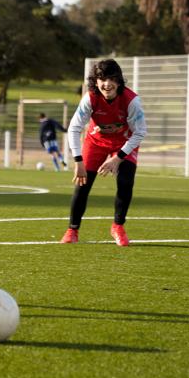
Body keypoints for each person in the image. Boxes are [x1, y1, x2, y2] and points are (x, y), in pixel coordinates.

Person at [60, 59, 147, 246]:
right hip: (95, 142)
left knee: (125, 181)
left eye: (112, 79)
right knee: (82, 184)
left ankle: (118, 226)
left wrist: (118, 158)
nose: (107, 84)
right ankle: (72, 230)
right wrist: (78, 161)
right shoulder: (90, 98)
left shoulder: (132, 101)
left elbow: (140, 132)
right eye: (102, 79)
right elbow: (74, 128)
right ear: (95, 81)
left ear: (119, 81)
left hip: (124, 142)